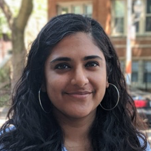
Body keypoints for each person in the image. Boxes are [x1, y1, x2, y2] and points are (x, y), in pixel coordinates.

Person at [0, 13, 150, 151]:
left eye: (91, 64)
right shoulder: (9, 146)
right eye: (63, 66)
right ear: (42, 79)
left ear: (107, 76)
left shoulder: (136, 146)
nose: (80, 79)